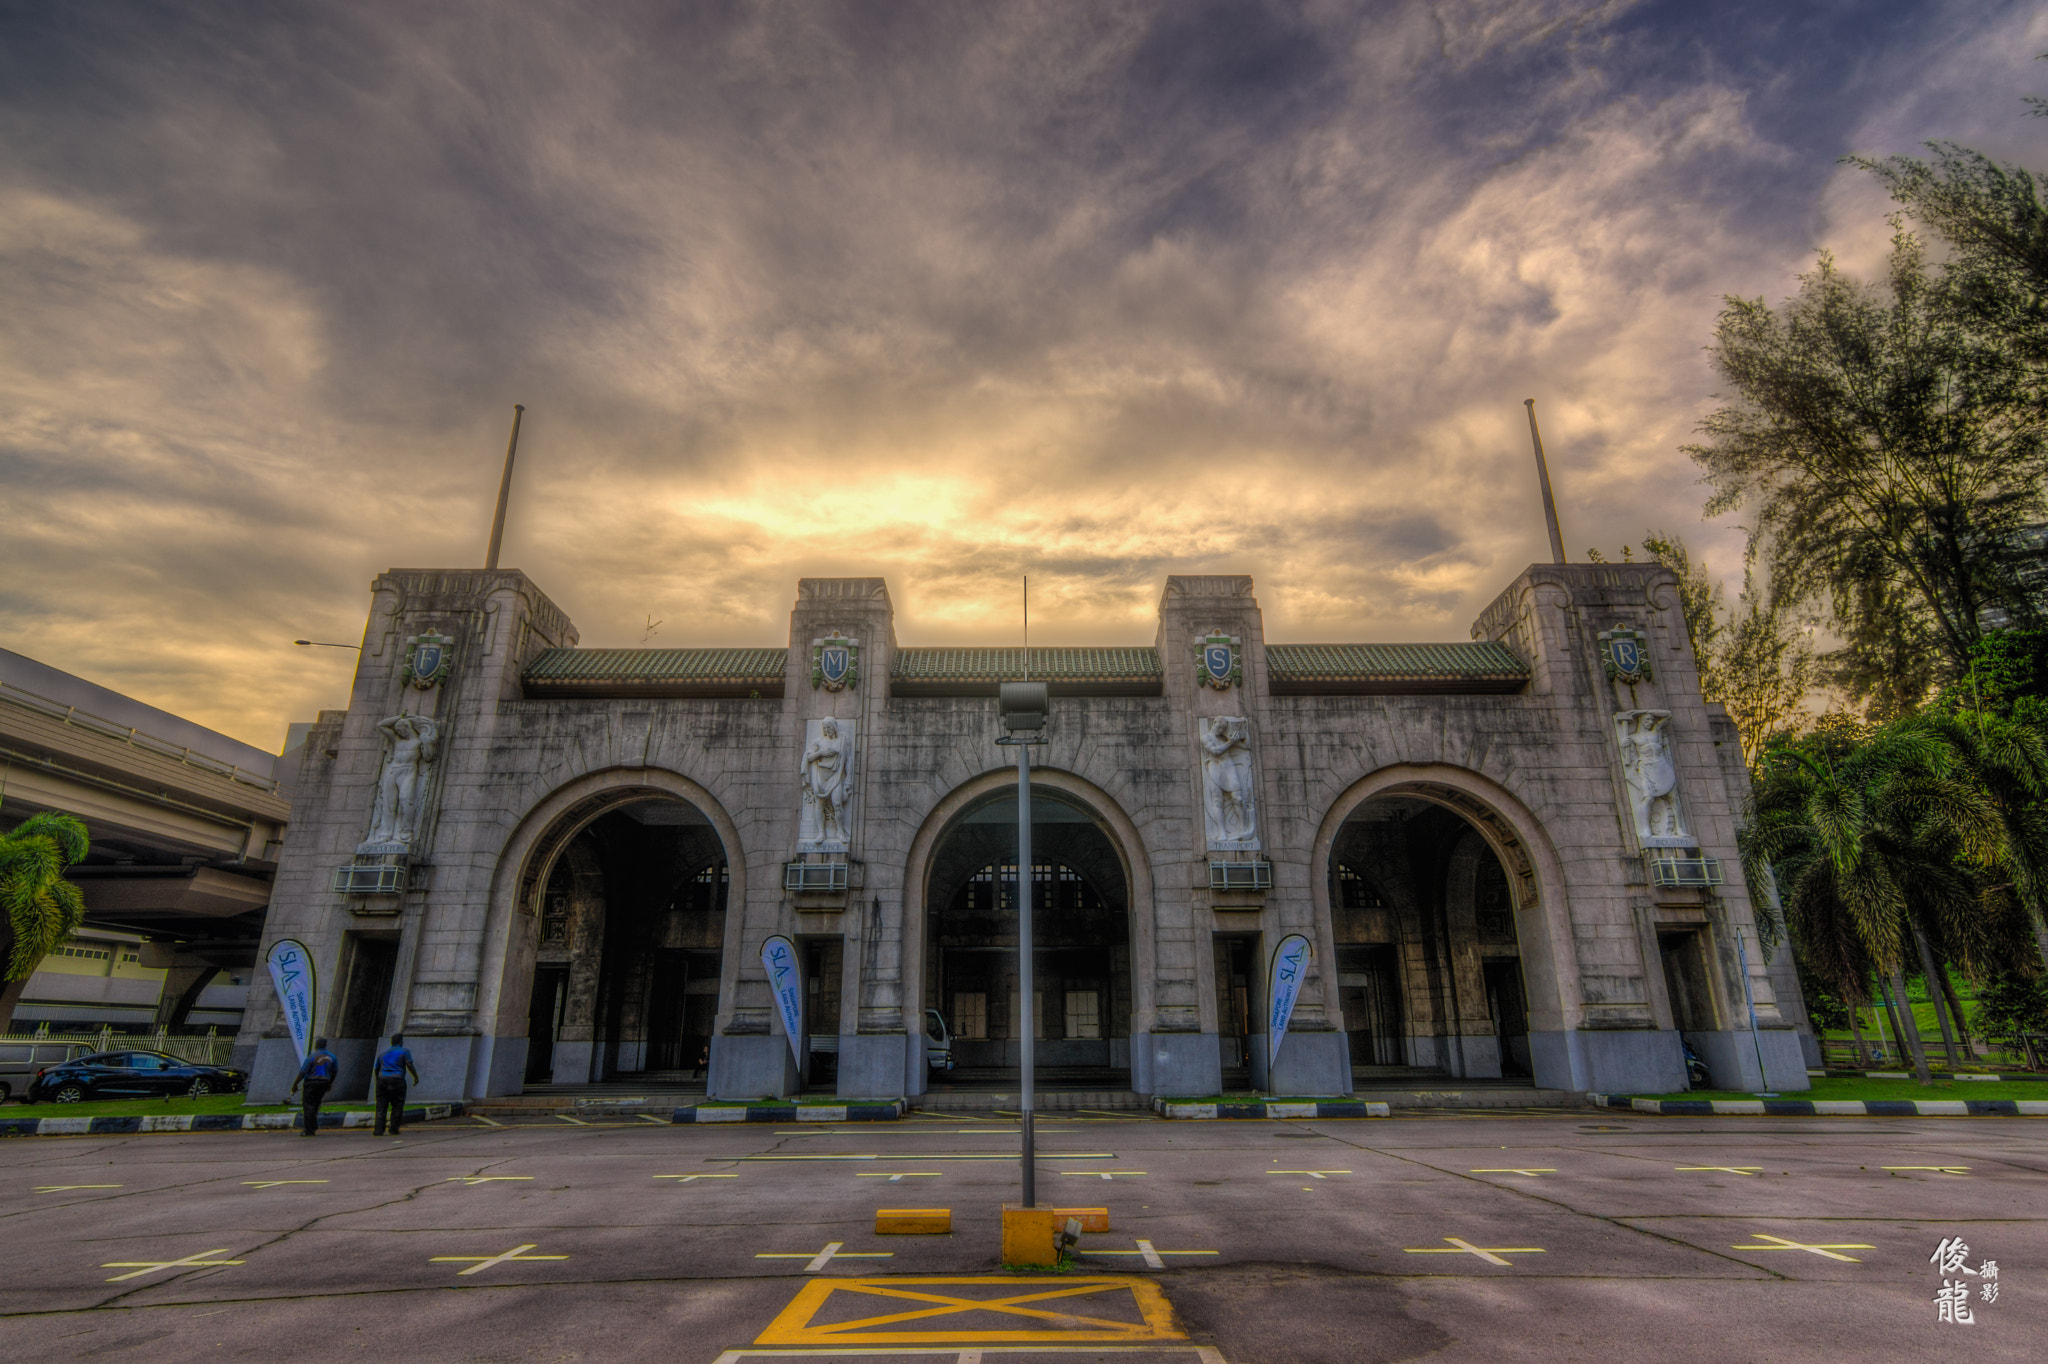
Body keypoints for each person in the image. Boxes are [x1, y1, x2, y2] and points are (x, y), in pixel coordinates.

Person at [372, 1032, 421, 1136]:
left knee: (381, 1105)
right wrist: (415, 1077)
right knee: (397, 1105)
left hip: (383, 1080)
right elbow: (409, 1065)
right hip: (397, 1080)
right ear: (401, 1042)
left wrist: (378, 1081)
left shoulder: (382, 1053)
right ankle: (393, 1129)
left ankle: (378, 1130)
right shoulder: (404, 1051)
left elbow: (376, 1068)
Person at [289, 1037, 339, 1138]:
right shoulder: (332, 1057)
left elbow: (303, 1072)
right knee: (316, 1104)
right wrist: (330, 1083)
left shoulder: (312, 1056)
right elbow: (335, 1071)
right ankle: (313, 1125)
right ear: (325, 1045)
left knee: (308, 1105)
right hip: (324, 1083)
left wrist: (295, 1084)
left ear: (316, 1045)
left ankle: (309, 1129)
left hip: (311, 1083)